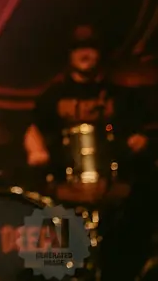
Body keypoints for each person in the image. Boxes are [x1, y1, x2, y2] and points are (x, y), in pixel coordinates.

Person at [24, 24, 153, 280]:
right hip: (65, 189)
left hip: (114, 189)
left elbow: (143, 131)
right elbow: (33, 129)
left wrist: (142, 141)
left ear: (100, 53)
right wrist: (35, 150)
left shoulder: (121, 95)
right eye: (78, 48)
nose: (85, 54)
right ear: (70, 55)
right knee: (56, 259)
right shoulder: (54, 95)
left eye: (91, 48)